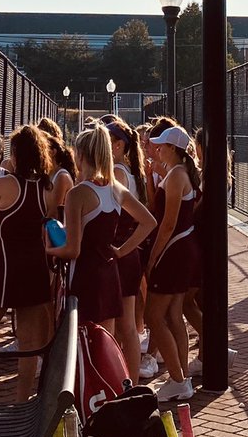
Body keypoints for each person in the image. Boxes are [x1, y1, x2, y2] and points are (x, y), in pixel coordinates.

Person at [48, 126, 155, 335]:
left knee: (80, 340)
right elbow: (148, 221)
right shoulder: (115, 188)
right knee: (106, 340)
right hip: (109, 272)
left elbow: (73, 250)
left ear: (81, 155)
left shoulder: (78, 193)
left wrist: (49, 250)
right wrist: (121, 251)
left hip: (85, 275)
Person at [0, 125, 57, 400]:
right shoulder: (47, 188)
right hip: (34, 270)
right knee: (28, 343)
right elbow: (47, 233)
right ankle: (22, 401)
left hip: (2, 271)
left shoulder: (3, 184)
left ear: (15, 153)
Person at [144, 126, 201, 402]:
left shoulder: (177, 175)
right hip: (181, 249)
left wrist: (153, 256)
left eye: (162, 145)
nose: (157, 148)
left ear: (174, 149)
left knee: (153, 316)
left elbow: (168, 223)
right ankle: (182, 378)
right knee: (174, 314)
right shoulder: (176, 173)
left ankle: (178, 379)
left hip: (174, 250)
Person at [106, 117, 153, 382]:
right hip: (125, 252)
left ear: (118, 145)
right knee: (125, 325)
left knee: (125, 325)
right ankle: (128, 378)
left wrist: (122, 249)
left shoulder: (119, 173)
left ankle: (131, 380)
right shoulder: (126, 170)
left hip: (122, 252)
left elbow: (133, 217)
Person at [44, 134, 76, 222]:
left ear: (53, 152)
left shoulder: (61, 177)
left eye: (42, 150)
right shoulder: (46, 174)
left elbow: (54, 213)